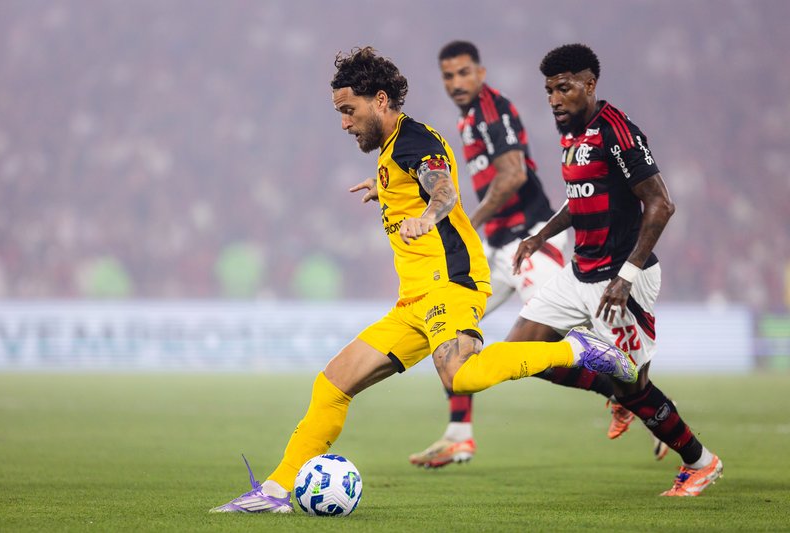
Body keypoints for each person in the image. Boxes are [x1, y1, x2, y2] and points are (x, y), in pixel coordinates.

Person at [210, 46, 637, 513]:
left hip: (451, 284)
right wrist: (387, 188)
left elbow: (443, 186)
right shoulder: (394, 152)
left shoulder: (413, 140)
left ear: (379, 100)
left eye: (348, 111)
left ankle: (579, 350)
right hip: (414, 299)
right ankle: (275, 493)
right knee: (332, 383)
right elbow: (419, 180)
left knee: (462, 377)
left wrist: (430, 215)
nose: (344, 123)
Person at [409, 40, 663, 469]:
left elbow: (512, 174)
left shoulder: (493, 111)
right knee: (456, 328)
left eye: (464, 73)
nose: (456, 83)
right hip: (499, 247)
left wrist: (465, 221)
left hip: (527, 242)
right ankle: (459, 435)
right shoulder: (470, 116)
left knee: (558, 348)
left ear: (481, 73)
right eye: (448, 76)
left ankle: (648, 409)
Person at [508, 43, 721, 497]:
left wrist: (626, 275)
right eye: (548, 91)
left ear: (589, 85)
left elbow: (661, 204)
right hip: (579, 272)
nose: (554, 100)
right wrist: (540, 236)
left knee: (636, 390)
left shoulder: (617, 132)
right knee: (520, 352)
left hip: (622, 280)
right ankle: (615, 391)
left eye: (563, 89)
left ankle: (701, 462)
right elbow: (581, 197)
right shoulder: (570, 132)